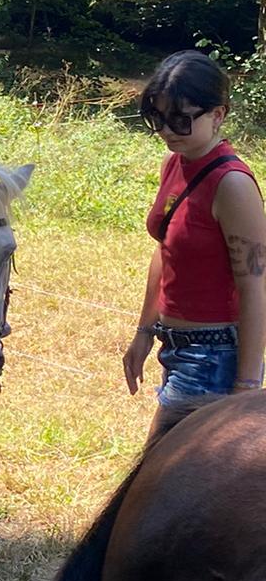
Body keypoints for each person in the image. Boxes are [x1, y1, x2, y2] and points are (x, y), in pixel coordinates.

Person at [121, 49, 266, 438]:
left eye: (181, 120)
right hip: (176, 345)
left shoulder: (232, 183)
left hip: (214, 355)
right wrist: (144, 332)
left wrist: (247, 390)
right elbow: (165, 249)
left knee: (163, 480)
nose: (168, 131)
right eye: (158, 118)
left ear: (217, 115)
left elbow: (255, 285)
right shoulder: (175, 163)